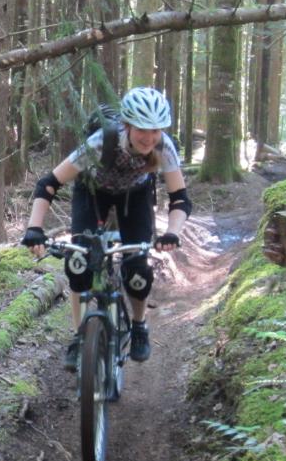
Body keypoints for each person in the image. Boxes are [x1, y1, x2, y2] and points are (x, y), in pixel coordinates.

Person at [19, 87, 192, 369]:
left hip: (134, 197)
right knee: (79, 264)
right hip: (92, 193)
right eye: (142, 130)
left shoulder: (164, 147)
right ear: (127, 125)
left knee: (137, 269)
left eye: (156, 130)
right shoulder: (102, 142)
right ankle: (79, 336)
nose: (149, 137)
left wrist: (173, 232)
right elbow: (48, 184)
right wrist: (34, 229)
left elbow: (180, 199)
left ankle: (139, 325)